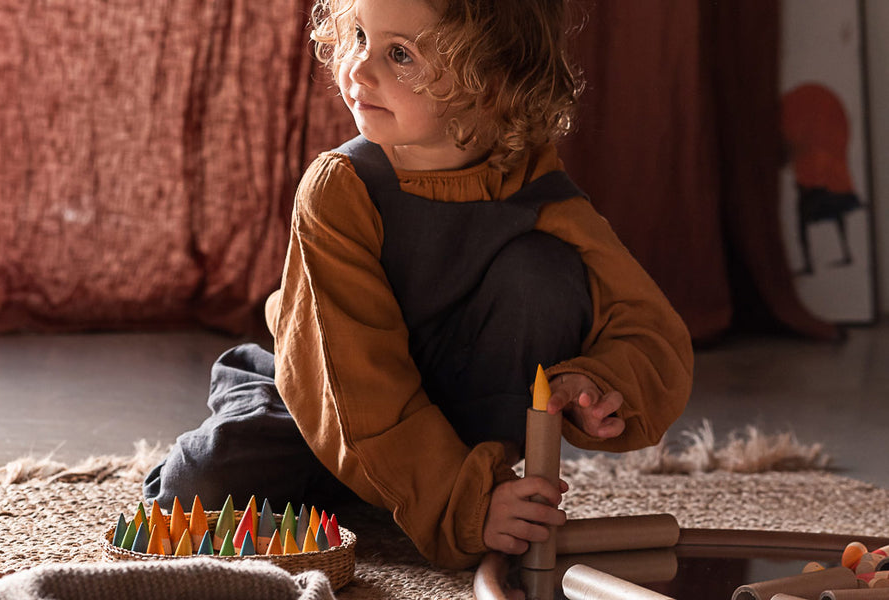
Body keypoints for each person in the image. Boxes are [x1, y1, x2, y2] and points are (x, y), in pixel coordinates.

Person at [144, 0, 693, 570]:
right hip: (330, 398)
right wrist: (465, 508)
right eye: (356, 35)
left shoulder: (535, 184)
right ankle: (277, 412)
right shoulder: (340, 188)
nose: (357, 68)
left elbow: (648, 326)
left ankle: (426, 485)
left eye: (400, 54)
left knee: (545, 270)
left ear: (491, 81)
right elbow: (358, 385)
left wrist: (594, 380)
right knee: (192, 498)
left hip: (452, 409)